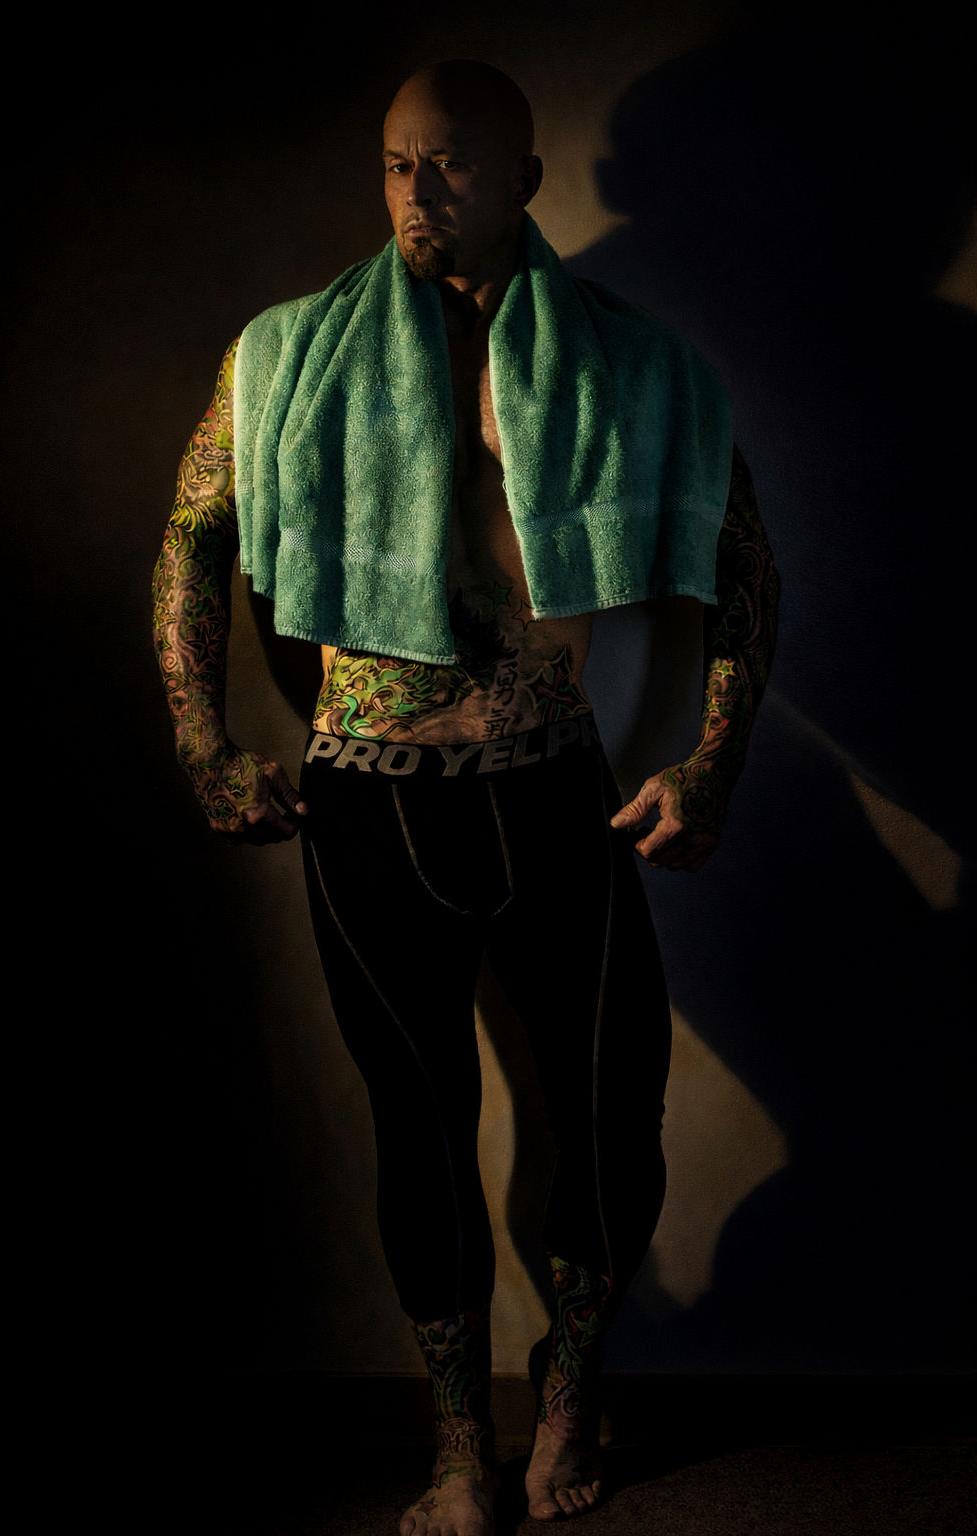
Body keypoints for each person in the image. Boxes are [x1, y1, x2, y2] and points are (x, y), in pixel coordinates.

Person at [153, 59, 778, 1535]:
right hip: (370, 804)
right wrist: (202, 743)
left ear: (524, 179)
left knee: (614, 1114)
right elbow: (190, 536)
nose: (416, 192)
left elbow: (742, 565)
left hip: (552, 789)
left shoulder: (628, 363)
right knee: (418, 1126)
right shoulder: (287, 355)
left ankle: (568, 1392)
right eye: (396, 164)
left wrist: (710, 760)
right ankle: (454, 1447)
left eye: (448, 165)